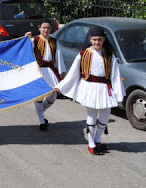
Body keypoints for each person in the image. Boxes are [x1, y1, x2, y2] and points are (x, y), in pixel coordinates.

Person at [54, 26, 125, 155]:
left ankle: (98, 138)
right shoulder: (83, 54)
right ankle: (91, 143)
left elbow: (115, 75)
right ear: (90, 40)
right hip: (90, 87)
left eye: (99, 39)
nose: (97, 42)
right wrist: (61, 85)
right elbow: (73, 73)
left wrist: (118, 93)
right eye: (94, 40)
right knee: (92, 114)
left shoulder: (109, 55)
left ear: (103, 39)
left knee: (106, 114)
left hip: (104, 88)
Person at [25, 20, 66, 131]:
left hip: (51, 71)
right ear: (39, 28)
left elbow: (58, 57)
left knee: (53, 96)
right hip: (39, 71)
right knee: (39, 96)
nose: (46, 30)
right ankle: (41, 121)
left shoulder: (54, 41)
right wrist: (26, 38)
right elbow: (26, 49)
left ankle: (40, 111)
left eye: (48, 28)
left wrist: (62, 72)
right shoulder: (35, 40)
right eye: (44, 28)